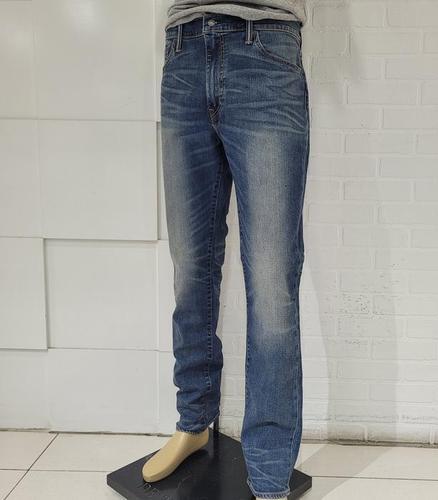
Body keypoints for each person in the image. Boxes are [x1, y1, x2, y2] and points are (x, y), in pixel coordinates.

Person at [143, 2, 310, 499]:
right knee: (190, 268)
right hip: (183, 51)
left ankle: (270, 473)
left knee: (272, 281)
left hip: (266, 47)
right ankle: (193, 422)